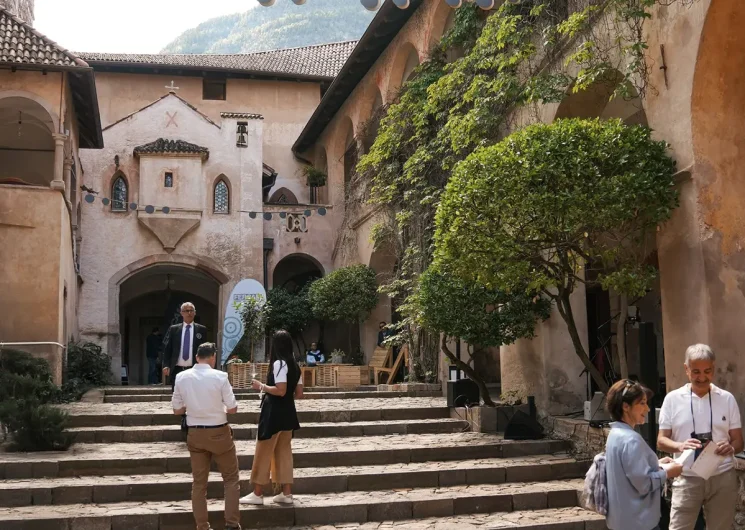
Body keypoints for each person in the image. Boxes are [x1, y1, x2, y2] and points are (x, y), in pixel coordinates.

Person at [657, 343, 743, 530]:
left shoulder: (726, 398)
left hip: (722, 476)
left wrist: (731, 448)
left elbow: (738, 441)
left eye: (707, 371)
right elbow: (661, 440)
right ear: (686, 369)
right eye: (696, 371)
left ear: (713, 368)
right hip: (686, 476)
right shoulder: (672, 399)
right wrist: (680, 446)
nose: (702, 377)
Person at [171, 342, 240, 530]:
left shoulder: (181, 377)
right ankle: (232, 524)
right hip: (219, 431)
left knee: (199, 483)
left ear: (196, 357)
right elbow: (232, 408)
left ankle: (202, 526)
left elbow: (177, 410)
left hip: (195, 433)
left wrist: (192, 406)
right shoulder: (220, 376)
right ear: (213, 357)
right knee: (231, 479)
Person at [604, 379, 683, 530]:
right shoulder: (631, 439)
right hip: (638, 522)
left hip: (621, 519)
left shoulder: (615, 434)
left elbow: (628, 472)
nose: (647, 409)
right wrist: (668, 472)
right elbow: (644, 484)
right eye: (642, 403)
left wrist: (657, 465)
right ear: (626, 407)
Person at [240, 330, 303, 506]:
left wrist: (261, 386)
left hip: (273, 413)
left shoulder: (279, 364)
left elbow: (280, 390)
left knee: (263, 451)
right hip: (289, 413)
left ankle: (258, 492)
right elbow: (298, 393)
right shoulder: (295, 365)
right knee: (284, 453)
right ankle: (286, 493)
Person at [162, 302, 207, 392]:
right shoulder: (174, 329)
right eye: (186, 311)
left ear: (195, 312)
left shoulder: (201, 329)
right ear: (181, 313)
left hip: (194, 368)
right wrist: (166, 365)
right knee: (177, 396)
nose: (189, 313)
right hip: (177, 369)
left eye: (191, 311)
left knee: (195, 394)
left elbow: (204, 349)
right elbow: (168, 348)